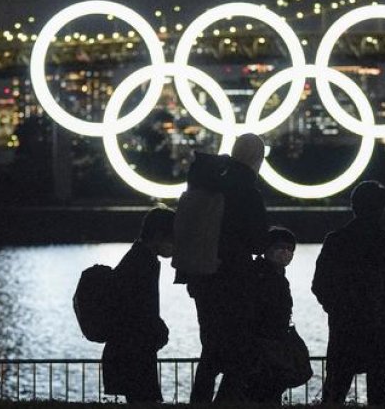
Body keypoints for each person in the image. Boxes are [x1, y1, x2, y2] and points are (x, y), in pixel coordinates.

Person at [181, 133, 268, 403]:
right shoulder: (246, 191)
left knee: (211, 349)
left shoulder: (211, 182)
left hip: (203, 276)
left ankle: (199, 403)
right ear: (257, 159)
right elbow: (258, 242)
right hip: (235, 280)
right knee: (242, 353)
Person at [313, 181, 385, 407]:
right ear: (381, 208)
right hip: (382, 328)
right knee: (379, 396)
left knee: (335, 391)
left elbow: (319, 284)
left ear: (353, 206)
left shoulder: (335, 240)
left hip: (344, 327)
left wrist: (335, 308)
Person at [102, 207, 175, 403]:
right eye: (172, 238)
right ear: (159, 235)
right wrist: (157, 329)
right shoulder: (145, 262)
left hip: (126, 348)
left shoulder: (137, 257)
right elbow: (142, 307)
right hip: (135, 350)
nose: (175, 244)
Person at [247, 226, 299, 404]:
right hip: (265, 343)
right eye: (280, 247)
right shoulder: (264, 275)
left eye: (290, 249)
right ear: (267, 249)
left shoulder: (272, 274)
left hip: (269, 341)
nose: (285, 252)